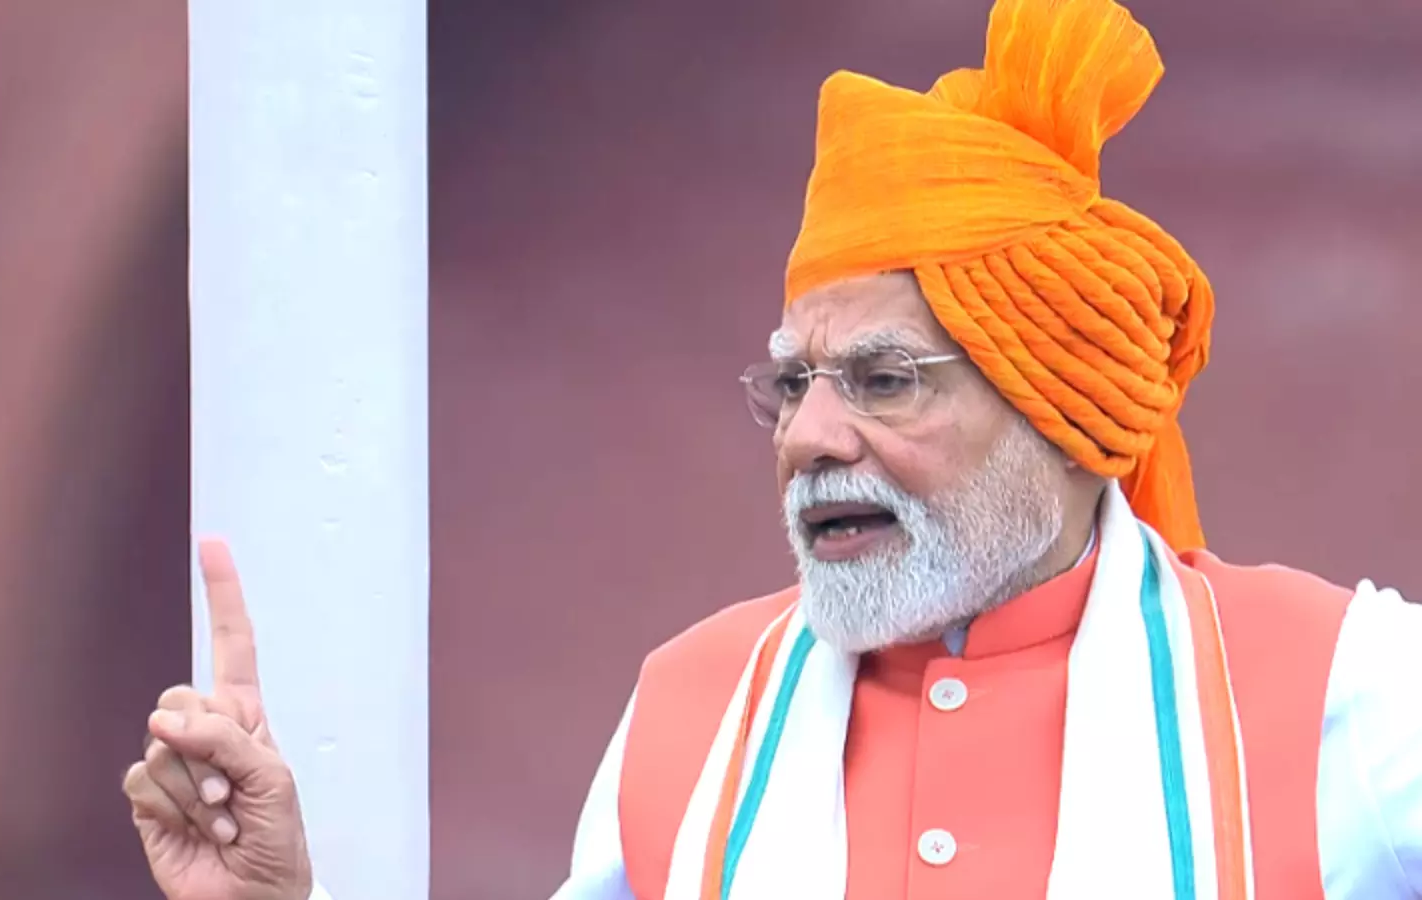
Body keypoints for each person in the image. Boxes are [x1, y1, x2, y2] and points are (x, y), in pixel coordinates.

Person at [122, 0, 1422, 896]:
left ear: (1065, 407)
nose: (808, 435)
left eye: (883, 381)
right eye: (793, 382)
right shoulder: (691, 709)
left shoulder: (1347, 691)